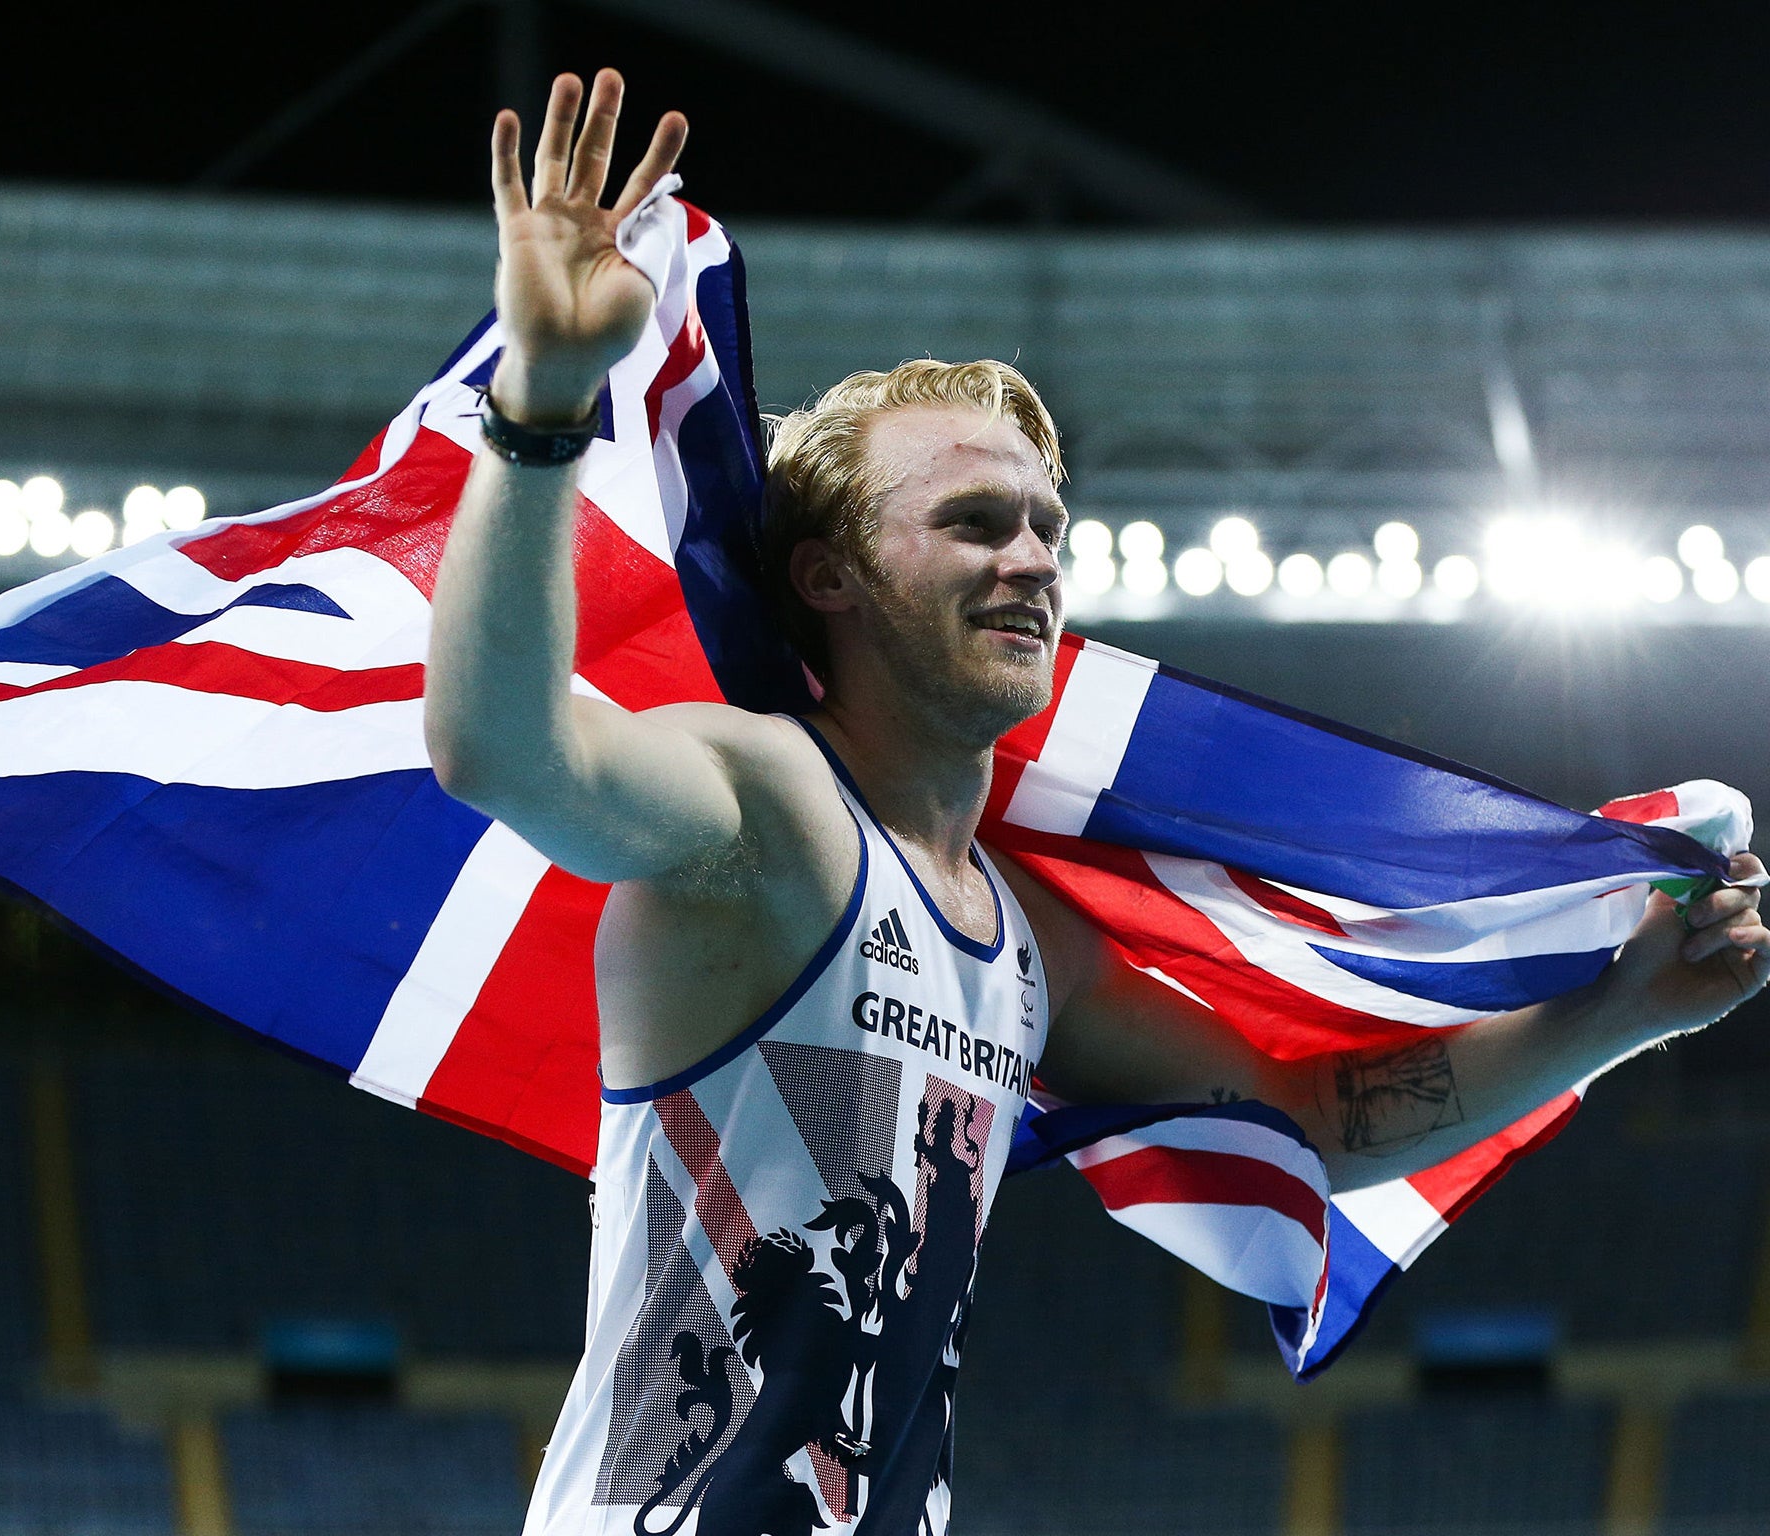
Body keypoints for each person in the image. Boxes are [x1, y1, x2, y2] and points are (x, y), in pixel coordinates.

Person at [423, 69, 1770, 1536]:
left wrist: (1623, 1013)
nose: (1031, 561)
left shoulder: (1014, 940)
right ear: (828, 580)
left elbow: (1308, 1126)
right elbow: (504, 753)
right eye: (973, 524)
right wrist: (545, 403)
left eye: (1047, 527)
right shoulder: (770, 809)